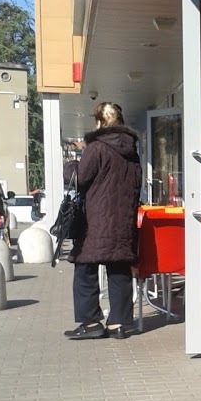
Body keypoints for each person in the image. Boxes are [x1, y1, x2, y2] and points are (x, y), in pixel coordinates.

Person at [64, 102, 142, 340]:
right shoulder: (132, 151)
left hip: (96, 220)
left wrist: (71, 164)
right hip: (123, 219)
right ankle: (118, 324)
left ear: (98, 122)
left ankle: (91, 323)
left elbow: (81, 178)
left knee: (85, 267)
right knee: (118, 267)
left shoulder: (97, 147)